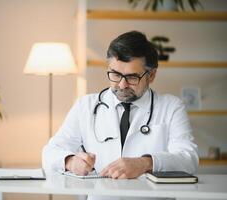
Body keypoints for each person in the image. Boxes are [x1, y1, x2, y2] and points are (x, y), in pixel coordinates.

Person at [42, 31, 198, 182]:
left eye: (132, 77)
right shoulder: (86, 106)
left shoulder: (171, 107)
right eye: (116, 74)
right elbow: (50, 152)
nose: (122, 85)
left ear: (151, 75)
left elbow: (188, 159)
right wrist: (70, 161)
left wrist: (145, 163)